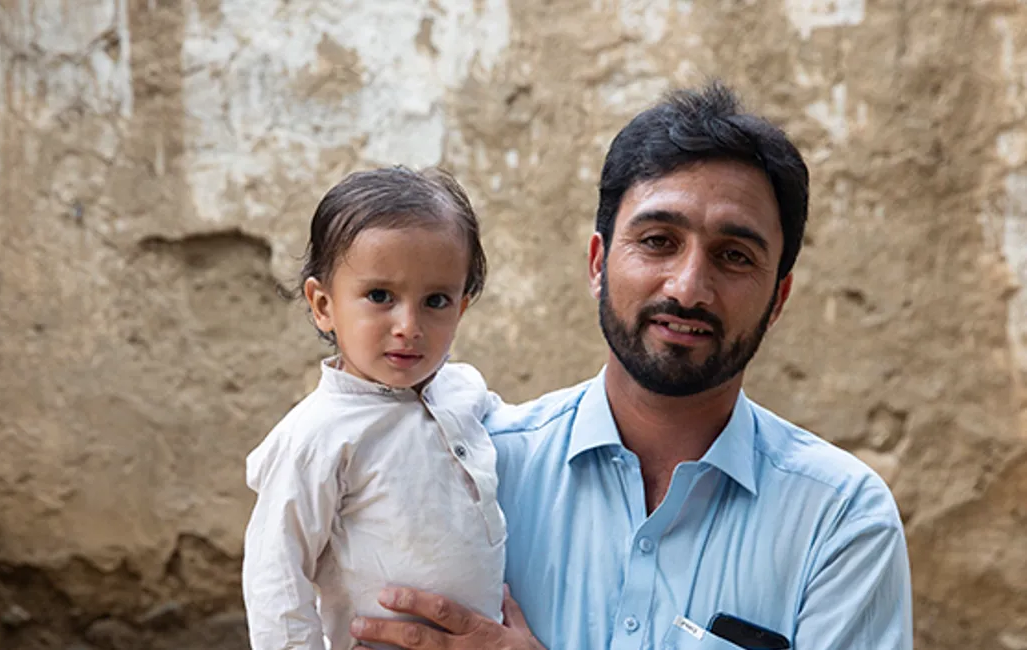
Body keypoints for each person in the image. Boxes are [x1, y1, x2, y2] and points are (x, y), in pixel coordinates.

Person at [349, 83, 913, 649]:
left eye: (735, 256)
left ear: (778, 299)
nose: (689, 288)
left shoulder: (839, 519)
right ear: (598, 264)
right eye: (658, 241)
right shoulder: (475, 472)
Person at [242, 166, 507, 650]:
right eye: (380, 296)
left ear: (462, 308)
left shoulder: (463, 391)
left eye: (436, 300)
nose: (409, 325)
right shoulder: (316, 436)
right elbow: (276, 579)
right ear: (323, 305)